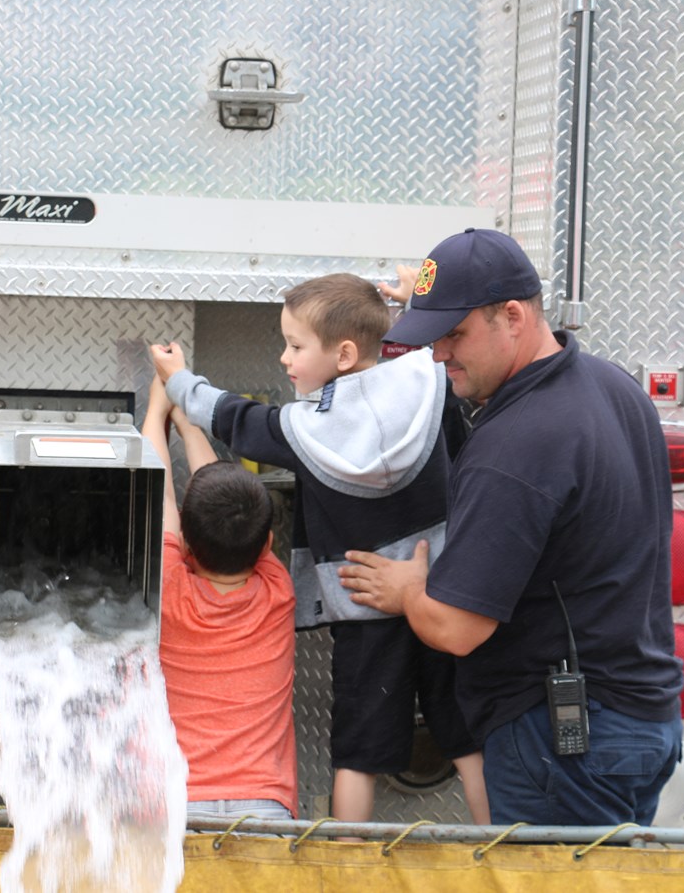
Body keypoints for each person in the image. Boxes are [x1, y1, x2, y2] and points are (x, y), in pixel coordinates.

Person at [338, 228, 684, 826]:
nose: (439, 354)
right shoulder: (614, 388)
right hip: (641, 723)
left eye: (455, 334)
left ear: (514, 316)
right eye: (433, 336)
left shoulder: (516, 443)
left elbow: (456, 629)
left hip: (564, 742)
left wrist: (409, 590)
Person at [152, 273, 490, 830]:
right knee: (468, 739)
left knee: (358, 754)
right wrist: (415, 303)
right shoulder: (429, 380)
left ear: (344, 354)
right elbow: (417, 353)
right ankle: (499, 851)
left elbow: (238, 419)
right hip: (440, 591)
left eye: (295, 345)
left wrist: (180, 382)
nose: (284, 357)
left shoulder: (304, 429)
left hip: (360, 605)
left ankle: (347, 862)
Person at [140, 374, 298, 823]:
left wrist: (158, 406)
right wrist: (189, 421)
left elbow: (158, 495)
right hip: (264, 805)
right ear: (267, 544)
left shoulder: (170, 590)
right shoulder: (277, 591)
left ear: (185, 544)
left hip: (178, 807)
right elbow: (224, 496)